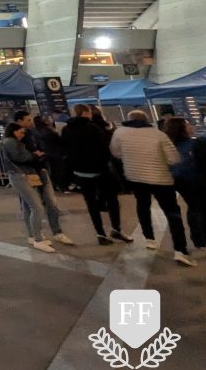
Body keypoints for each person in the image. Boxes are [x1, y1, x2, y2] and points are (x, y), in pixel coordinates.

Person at [111, 110, 195, 267]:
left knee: (142, 206)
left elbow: (116, 153)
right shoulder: (158, 135)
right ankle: (180, 250)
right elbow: (174, 158)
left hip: (135, 177)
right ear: (147, 119)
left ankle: (149, 238)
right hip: (160, 178)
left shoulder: (119, 133)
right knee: (172, 214)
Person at [1, 112, 73, 254]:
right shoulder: (12, 142)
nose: (30, 122)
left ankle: (40, 235)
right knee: (35, 207)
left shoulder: (29, 135)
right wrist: (36, 156)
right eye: (27, 120)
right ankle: (36, 237)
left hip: (35, 173)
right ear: (18, 123)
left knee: (36, 205)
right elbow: (23, 157)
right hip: (24, 175)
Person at [61, 104, 132, 245]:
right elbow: (103, 148)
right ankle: (116, 229)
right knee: (112, 200)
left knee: (91, 203)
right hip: (100, 170)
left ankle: (100, 233)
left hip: (80, 171)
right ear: (86, 112)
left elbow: (66, 149)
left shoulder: (66, 129)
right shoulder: (92, 128)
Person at [163, 117, 205, 251]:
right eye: (187, 124)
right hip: (195, 179)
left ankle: (197, 238)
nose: (191, 126)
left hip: (179, 180)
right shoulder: (195, 143)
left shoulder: (168, 144)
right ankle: (200, 238)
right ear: (181, 129)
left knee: (193, 207)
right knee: (199, 208)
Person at [34, 114, 67, 193]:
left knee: (49, 171)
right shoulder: (49, 130)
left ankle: (53, 186)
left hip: (45, 152)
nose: (50, 119)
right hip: (54, 152)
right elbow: (58, 141)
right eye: (48, 118)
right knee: (57, 170)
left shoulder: (36, 131)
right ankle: (60, 186)